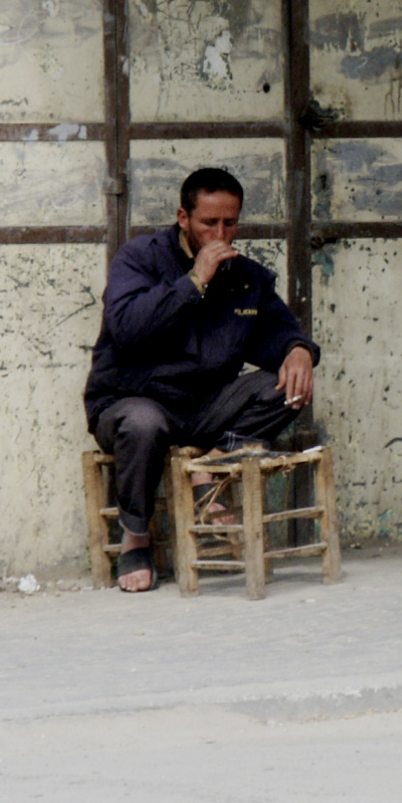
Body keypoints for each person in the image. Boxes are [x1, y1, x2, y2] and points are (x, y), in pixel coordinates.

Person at [84, 167, 319, 592]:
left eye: (230, 223)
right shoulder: (139, 258)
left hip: (206, 408)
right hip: (133, 401)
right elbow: (127, 329)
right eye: (209, 223)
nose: (220, 233)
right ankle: (136, 535)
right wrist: (194, 281)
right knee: (143, 423)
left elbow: (280, 333)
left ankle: (208, 468)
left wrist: (299, 350)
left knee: (287, 386)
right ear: (183, 217)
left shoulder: (247, 276)